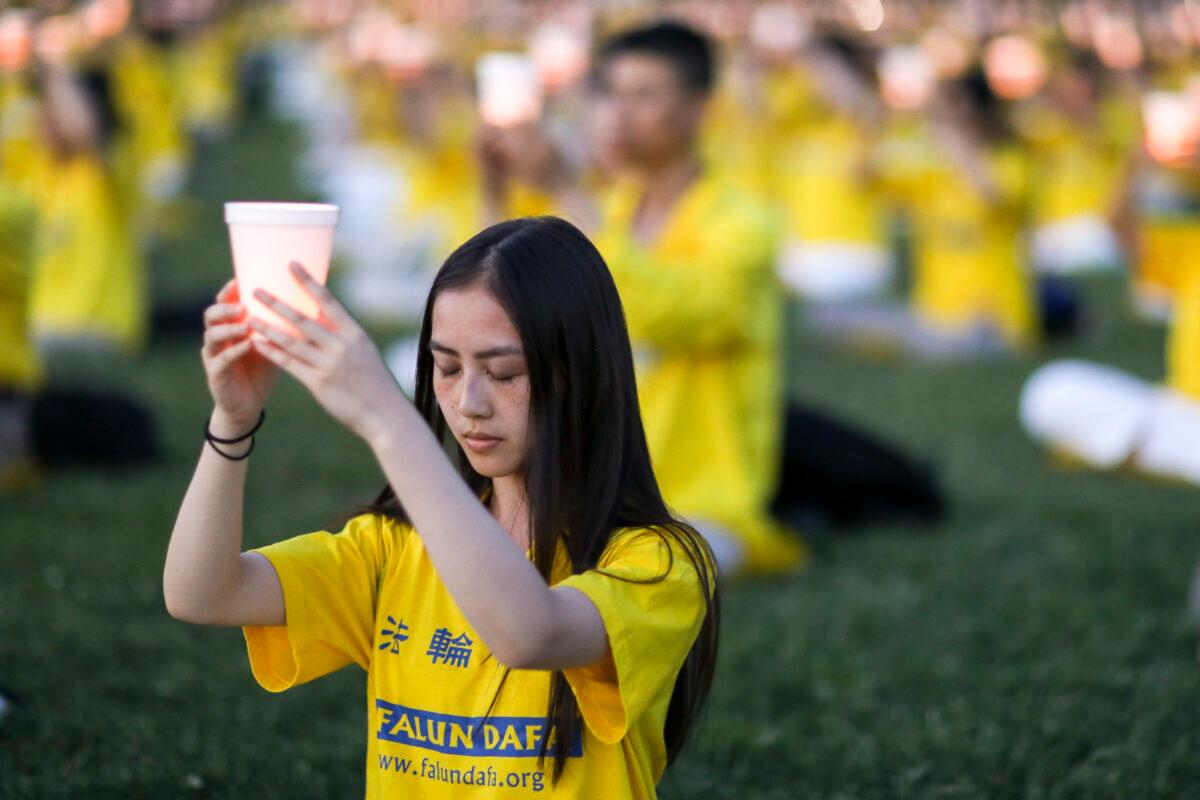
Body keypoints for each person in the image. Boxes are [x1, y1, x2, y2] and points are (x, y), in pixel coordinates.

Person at [163, 217, 719, 798]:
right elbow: (201, 593)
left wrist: (390, 423)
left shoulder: (658, 562)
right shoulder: (394, 548)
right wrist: (233, 420)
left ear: (580, 372)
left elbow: (530, 633)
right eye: (447, 368)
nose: (469, 403)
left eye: (504, 372)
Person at [480, 21, 807, 576]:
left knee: (634, 567)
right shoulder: (610, 206)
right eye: (610, 93)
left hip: (696, 506)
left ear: (699, 109)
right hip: (589, 488)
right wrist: (492, 185)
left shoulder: (743, 224)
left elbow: (673, 312)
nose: (619, 112)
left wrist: (564, 191)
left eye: (644, 95)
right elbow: (496, 307)